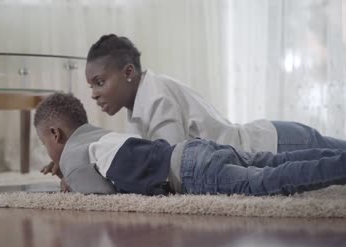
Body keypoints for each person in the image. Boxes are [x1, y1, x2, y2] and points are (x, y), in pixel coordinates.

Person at [34, 93, 346, 196]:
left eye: (44, 143)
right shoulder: (96, 135)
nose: (48, 152)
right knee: (269, 163)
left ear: (55, 134)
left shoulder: (73, 160)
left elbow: (97, 194)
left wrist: (66, 177)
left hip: (189, 172)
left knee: (266, 182)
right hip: (195, 149)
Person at [85, 34, 346, 153]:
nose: (94, 94)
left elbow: (169, 162)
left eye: (100, 82)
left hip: (276, 144)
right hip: (275, 141)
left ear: (128, 72)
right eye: (91, 87)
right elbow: (137, 156)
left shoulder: (156, 96)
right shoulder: (140, 103)